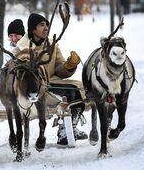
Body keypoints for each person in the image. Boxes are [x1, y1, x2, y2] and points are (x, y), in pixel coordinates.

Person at [14, 13, 88, 145]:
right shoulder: (21, 48)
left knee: (79, 91)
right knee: (72, 92)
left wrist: (69, 65)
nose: (46, 28)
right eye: (42, 25)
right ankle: (66, 130)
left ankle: (67, 129)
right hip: (33, 89)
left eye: (47, 25)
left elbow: (60, 69)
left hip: (53, 83)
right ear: (32, 29)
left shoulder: (52, 46)